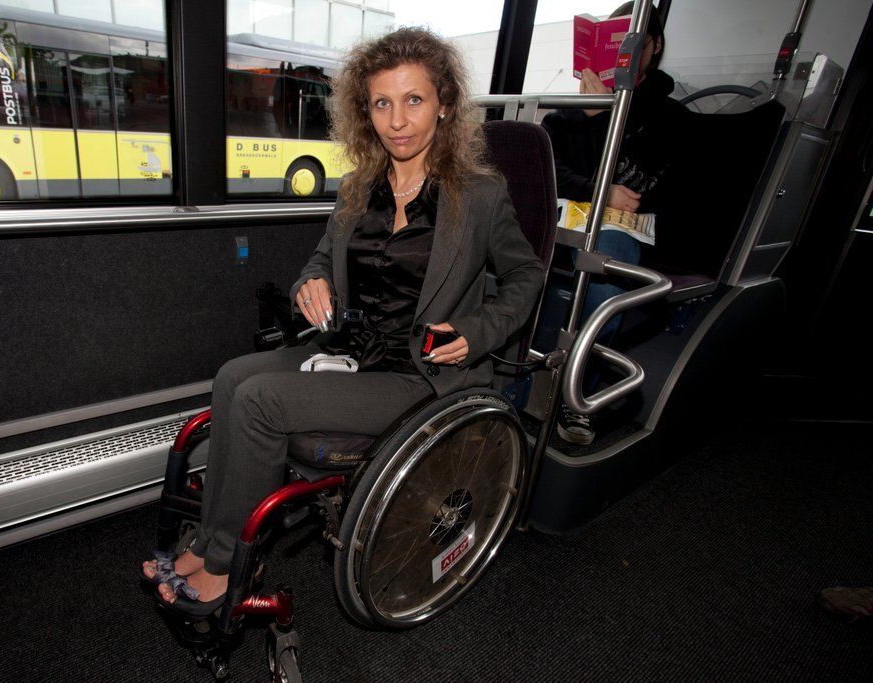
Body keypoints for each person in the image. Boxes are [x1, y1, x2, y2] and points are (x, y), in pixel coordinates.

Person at [141, 27, 545, 612]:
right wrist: (312, 284)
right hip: (353, 350)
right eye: (382, 103)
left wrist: (477, 332)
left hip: (418, 371)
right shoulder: (359, 187)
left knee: (259, 400)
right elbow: (321, 260)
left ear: (444, 104)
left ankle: (228, 565)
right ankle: (207, 542)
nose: (397, 121)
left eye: (413, 100)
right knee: (232, 376)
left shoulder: (479, 195)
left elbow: (526, 275)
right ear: (365, 110)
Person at [541, 1, 689, 445]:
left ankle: (576, 393)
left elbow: (640, 188)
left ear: (653, 46)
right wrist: (597, 190)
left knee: (605, 257)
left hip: (622, 229)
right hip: (567, 217)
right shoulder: (566, 113)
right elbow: (548, 171)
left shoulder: (669, 118)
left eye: (633, 41)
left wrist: (601, 123)